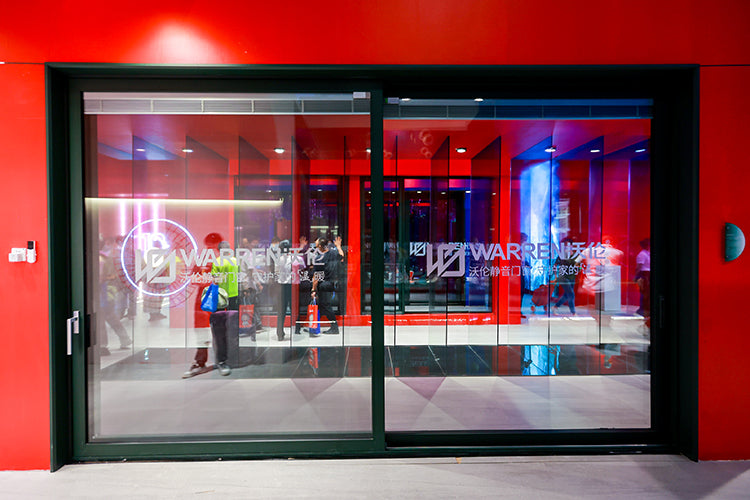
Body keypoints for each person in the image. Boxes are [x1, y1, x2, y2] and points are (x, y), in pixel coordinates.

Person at [183, 241, 239, 378]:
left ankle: (220, 361)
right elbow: (194, 278)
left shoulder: (226, 261)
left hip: (220, 299)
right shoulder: (204, 262)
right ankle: (201, 361)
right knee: (203, 332)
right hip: (206, 300)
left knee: (220, 332)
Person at [310, 236, 344, 336]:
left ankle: (334, 327)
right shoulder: (333, 253)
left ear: (320, 246)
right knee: (322, 305)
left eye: (316, 246)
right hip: (331, 283)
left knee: (326, 306)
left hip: (323, 285)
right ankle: (314, 326)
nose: (316, 247)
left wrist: (313, 289)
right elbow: (342, 256)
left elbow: (316, 277)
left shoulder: (319, 259)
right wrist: (338, 246)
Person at [275, 239, 295, 340]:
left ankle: (280, 333)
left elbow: (276, 272)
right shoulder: (293, 258)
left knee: (281, 311)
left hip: (281, 286)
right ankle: (296, 330)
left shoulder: (278, 259)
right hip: (291, 286)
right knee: (293, 309)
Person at [552, 237, 578, 315]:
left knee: (567, 295)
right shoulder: (561, 255)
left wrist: (579, 268)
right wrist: (555, 276)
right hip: (563, 277)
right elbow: (555, 265)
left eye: (569, 245)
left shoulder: (575, 254)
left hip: (572, 276)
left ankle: (555, 307)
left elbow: (578, 265)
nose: (567, 246)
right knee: (571, 294)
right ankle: (573, 312)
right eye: (566, 245)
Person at [635, 238, 651, 318]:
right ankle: (642, 309)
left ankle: (646, 309)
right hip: (644, 274)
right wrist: (636, 275)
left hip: (648, 274)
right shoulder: (642, 254)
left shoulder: (648, 253)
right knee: (644, 292)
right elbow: (639, 266)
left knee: (647, 292)